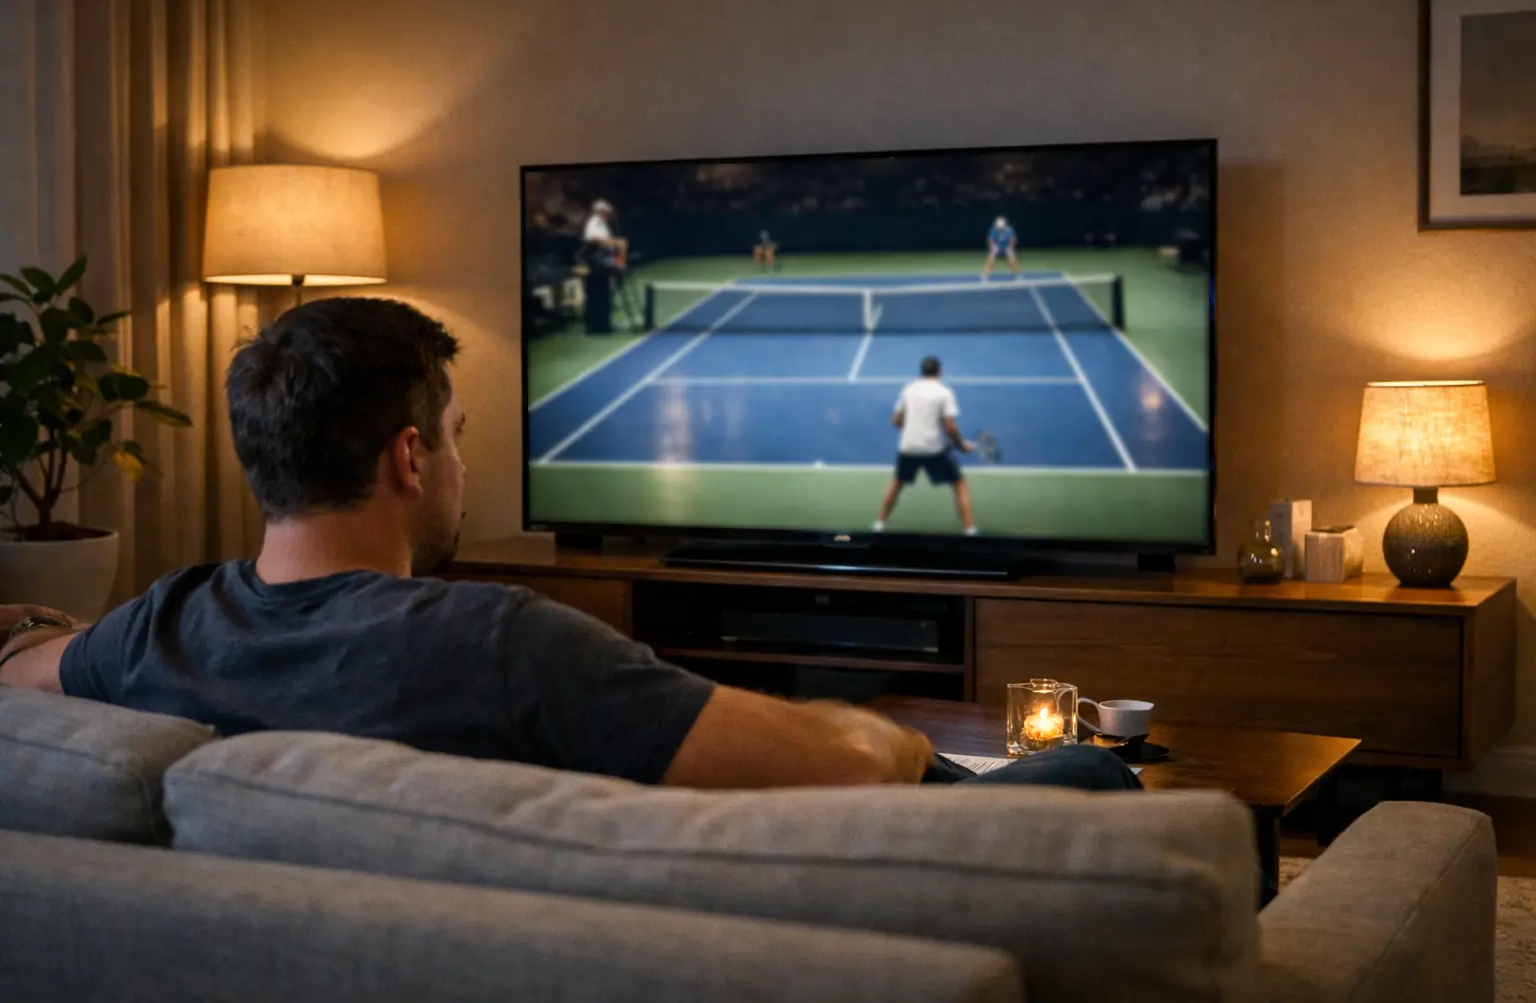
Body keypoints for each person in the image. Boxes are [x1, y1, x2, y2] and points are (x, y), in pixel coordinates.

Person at [0, 298, 1133, 792]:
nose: (458, 462)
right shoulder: (499, 639)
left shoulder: (158, 625)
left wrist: (44, 629)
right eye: (453, 436)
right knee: (1084, 769)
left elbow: (23, 672)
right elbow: (837, 767)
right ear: (407, 457)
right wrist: (891, 736)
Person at [873, 356, 978, 537]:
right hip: (933, 450)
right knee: (959, 484)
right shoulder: (945, 392)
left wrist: (915, 425)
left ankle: (879, 523)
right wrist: (961, 446)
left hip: (908, 447)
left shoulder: (909, 389)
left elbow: (896, 421)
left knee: (897, 483)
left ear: (922, 371)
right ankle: (970, 530)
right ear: (940, 371)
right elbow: (950, 427)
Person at [579, 199, 627, 334]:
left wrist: (618, 251)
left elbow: (608, 243)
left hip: (603, 264)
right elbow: (595, 239)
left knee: (605, 295)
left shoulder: (603, 224)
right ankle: (596, 327)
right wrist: (617, 242)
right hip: (596, 266)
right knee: (597, 296)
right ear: (600, 212)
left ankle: (604, 325)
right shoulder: (593, 222)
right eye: (606, 213)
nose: (609, 215)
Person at [981, 215, 1021, 280]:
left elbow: (1013, 240)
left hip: (1007, 247)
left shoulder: (1009, 230)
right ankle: (985, 275)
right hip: (997, 247)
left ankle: (1017, 274)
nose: (1000, 229)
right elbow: (990, 240)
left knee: (1012, 260)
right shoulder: (993, 230)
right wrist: (993, 247)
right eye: (999, 227)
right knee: (991, 260)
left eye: (1001, 227)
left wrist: (1009, 247)